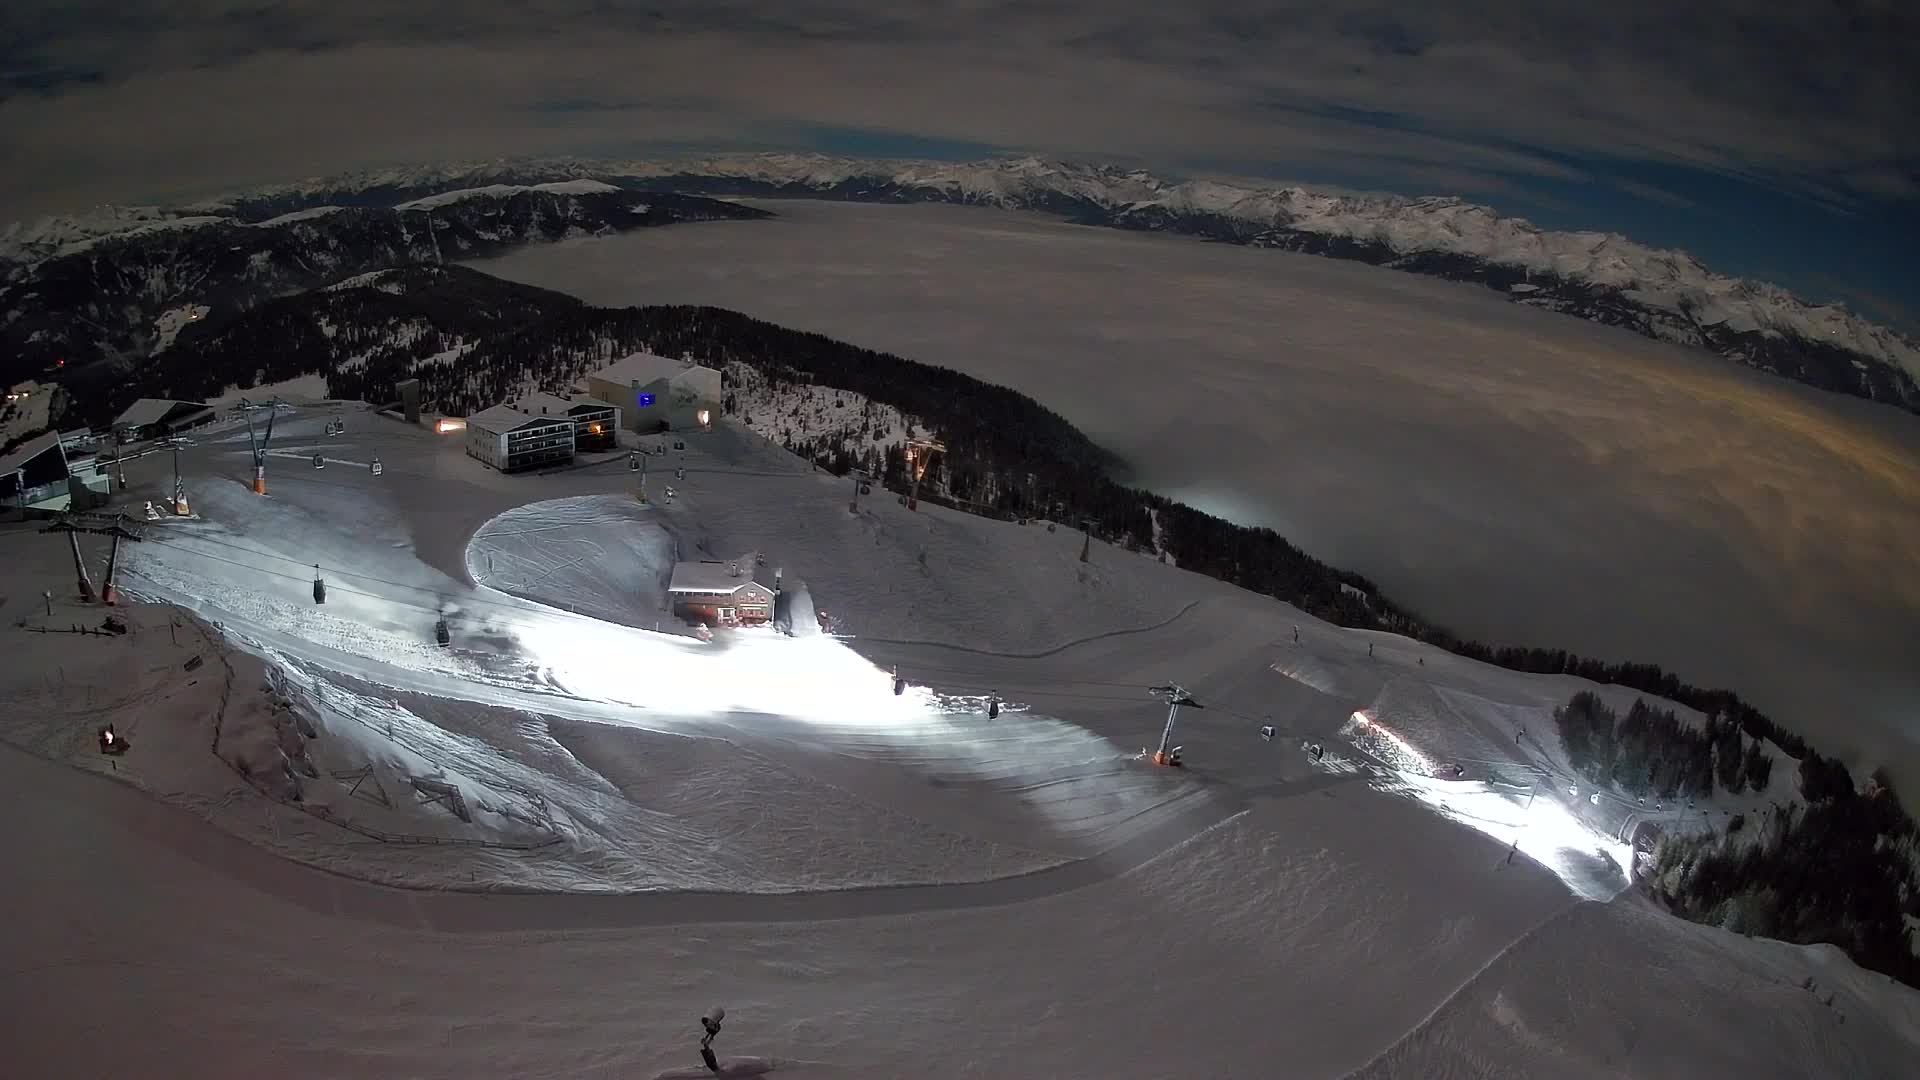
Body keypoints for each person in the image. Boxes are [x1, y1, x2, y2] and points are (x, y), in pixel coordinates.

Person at [699, 1007, 725, 1073]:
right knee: (710, 1032)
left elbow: (713, 1031)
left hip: (713, 1024)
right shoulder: (711, 1025)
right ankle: (707, 1049)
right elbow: (711, 1030)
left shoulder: (714, 1026)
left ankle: (711, 1060)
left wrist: (708, 1039)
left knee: (712, 1031)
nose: (707, 1026)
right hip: (712, 1023)